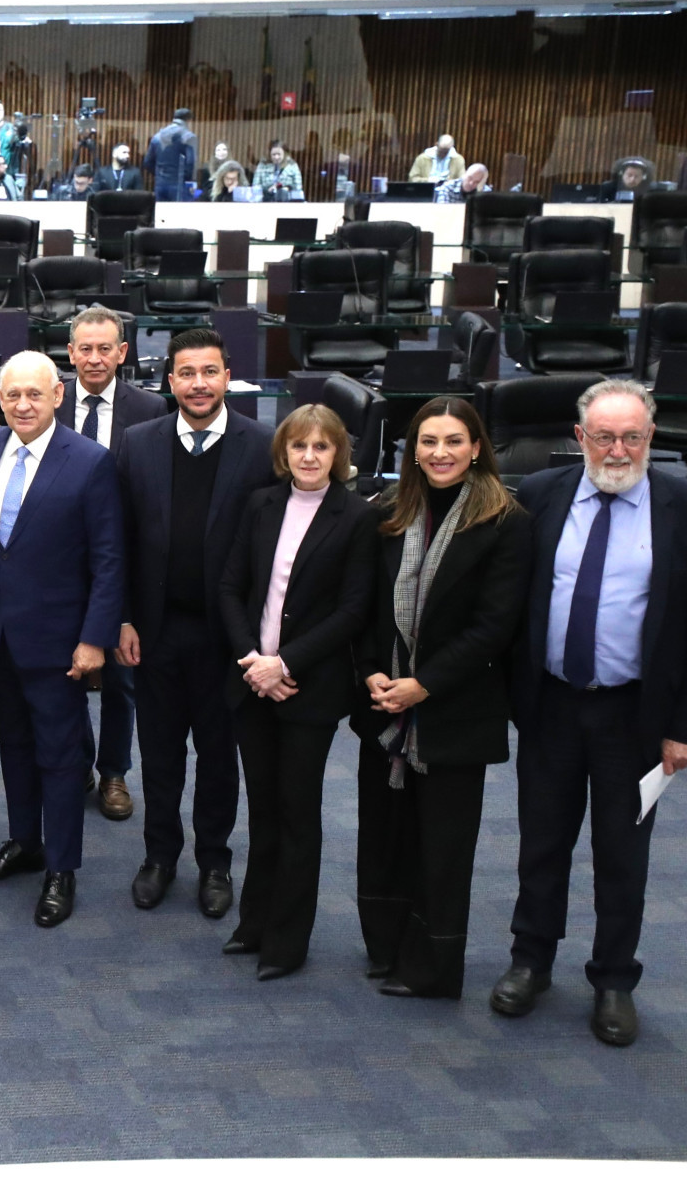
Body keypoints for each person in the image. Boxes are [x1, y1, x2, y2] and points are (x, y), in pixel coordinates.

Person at [493, 380, 687, 1046]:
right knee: (541, 842)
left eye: (632, 436)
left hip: (635, 716)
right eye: (604, 436)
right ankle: (529, 960)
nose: (617, 449)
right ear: (580, 438)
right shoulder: (538, 497)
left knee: (621, 853)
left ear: (650, 438)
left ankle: (613, 978)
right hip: (550, 705)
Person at [352, 396, 528, 1001]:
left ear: (477, 447)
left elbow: (495, 625)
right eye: (428, 441)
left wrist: (423, 685)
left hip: (455, 710)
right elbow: (365, 606)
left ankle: (431, 969)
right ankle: (387, 948)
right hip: (384, 708)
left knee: (443, 847)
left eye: (454, 441)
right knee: (385, 834)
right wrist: (372, 670)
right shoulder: (388, 511)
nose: (440, 453)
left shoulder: (506, 521)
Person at [117, 328, 278, 918]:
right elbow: (123, 540)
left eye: (210, 372)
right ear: (170, 380)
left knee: (217, 757)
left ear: (227, 375)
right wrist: (125, 618)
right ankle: (160, 856)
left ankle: (215, 861)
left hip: (227, 639)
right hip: (154, 632)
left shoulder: (262, 447)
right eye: (187, 373)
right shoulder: (138, 443)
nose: (199, 384)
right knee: (159, 756)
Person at [0, 351, 122, 929]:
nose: (23, 405)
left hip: (60, 641)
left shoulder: (90, 462)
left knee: (59, 757)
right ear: (0, 399)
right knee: (16, 748)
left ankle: (61, 868)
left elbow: (108, 561)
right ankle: (25, 844)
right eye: (12, 395)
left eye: (35, 394)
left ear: (58, 394)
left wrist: (94, 640)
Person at [215, 406, 376, 981]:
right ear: (282, 454)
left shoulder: (357, 517)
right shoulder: (260, 505)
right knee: (262, 810)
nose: (309, 457)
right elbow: (232, 587)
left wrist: (284, 663)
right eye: (299, 447)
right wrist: (254, 663)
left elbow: (353, 610)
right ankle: (253, 922)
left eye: (322, 447)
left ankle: (288, 940)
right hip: (253, 683)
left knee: (298, 812)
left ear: (339, 455)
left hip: (308, 689)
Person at [52, 307, 169, 820]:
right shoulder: (48, 404)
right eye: (85, 348)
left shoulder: (151, 408)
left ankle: (114, 772)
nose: (95, 358)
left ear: (123, 353)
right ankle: (75, 761)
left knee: (123, 672)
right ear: (70, 352)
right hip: (61, 560)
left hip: (123, 561)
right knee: (67, 669)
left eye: (106, 348)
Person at [145, 109, 198, 202]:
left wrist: (159, 174)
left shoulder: (157, 136)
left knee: (161, 216)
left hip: (160, 184)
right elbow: (191, 164)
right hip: (179, 186)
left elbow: (147, 162)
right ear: (189, 120)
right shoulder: (189, 137)